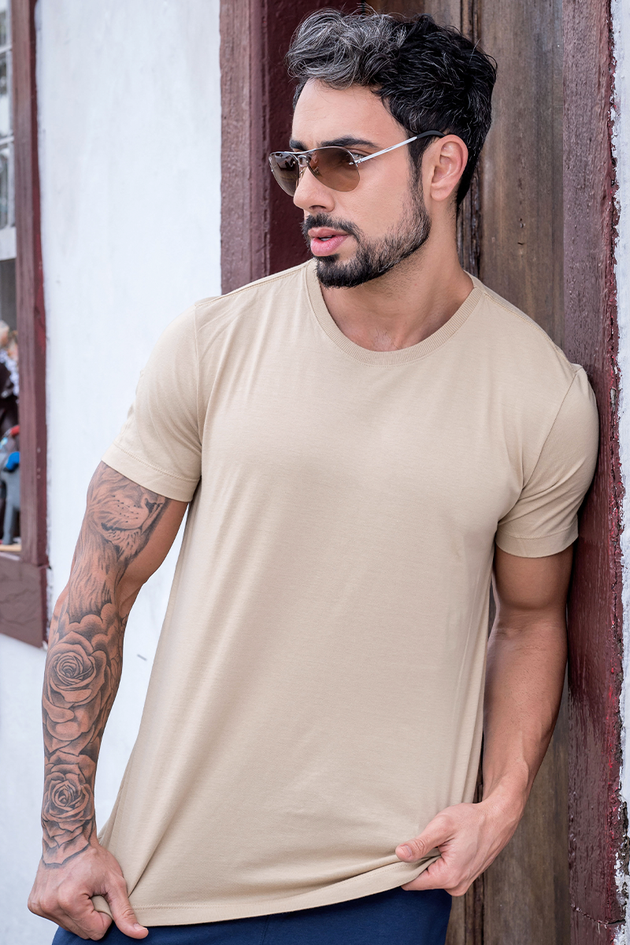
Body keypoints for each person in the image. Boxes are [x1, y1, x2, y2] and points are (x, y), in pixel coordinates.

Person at [29, 10, 599, 945]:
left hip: (382, 893)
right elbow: (99, 583)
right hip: (154, 897)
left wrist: (501, 803)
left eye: (343, 161)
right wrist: (62, 838)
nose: (306, 193)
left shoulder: (541, 398)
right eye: (295, 162)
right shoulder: (212, 346)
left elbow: (531, 619)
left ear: (442, 165)